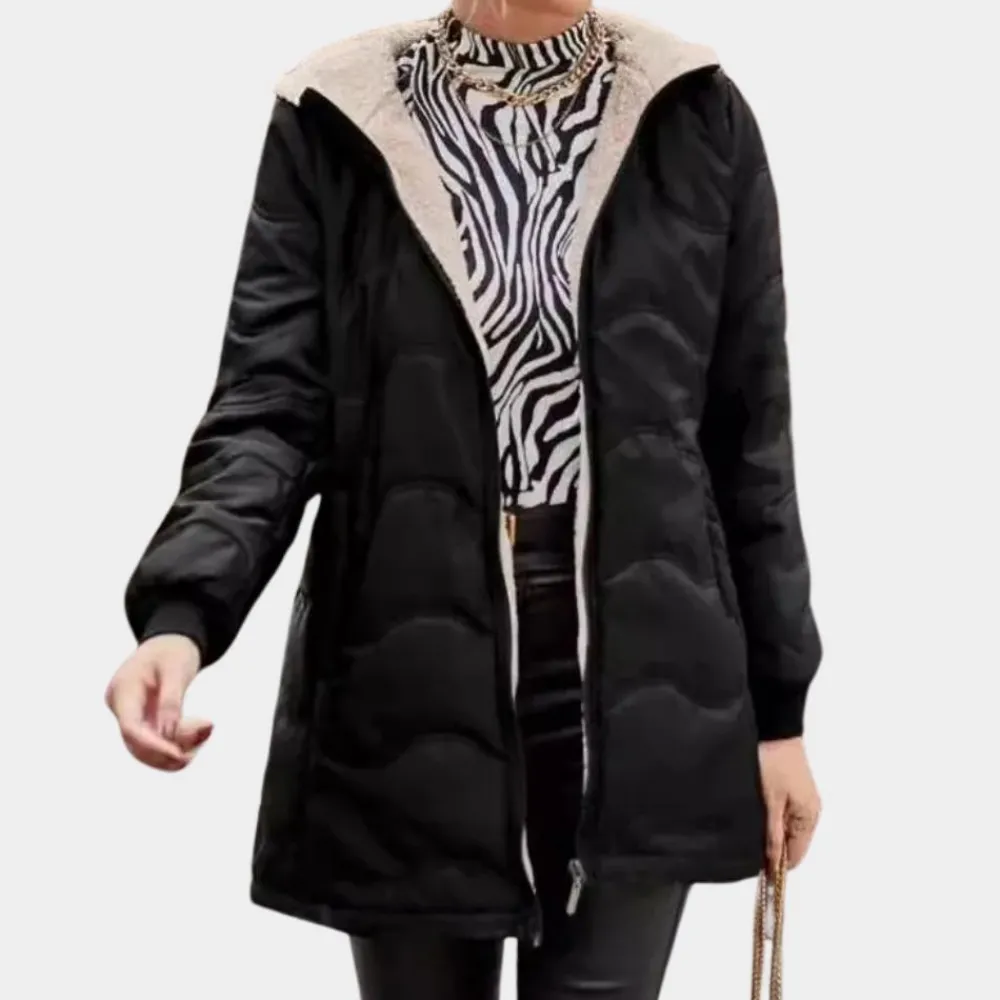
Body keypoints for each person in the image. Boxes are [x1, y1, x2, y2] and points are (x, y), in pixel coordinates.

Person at [105, 2, 823, 997]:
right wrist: (183, 617)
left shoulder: (694, 111)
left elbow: (748, 439)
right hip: (406, 675)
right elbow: (270, 405)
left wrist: (779, 716)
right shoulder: (340, 110)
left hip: (646, 683)